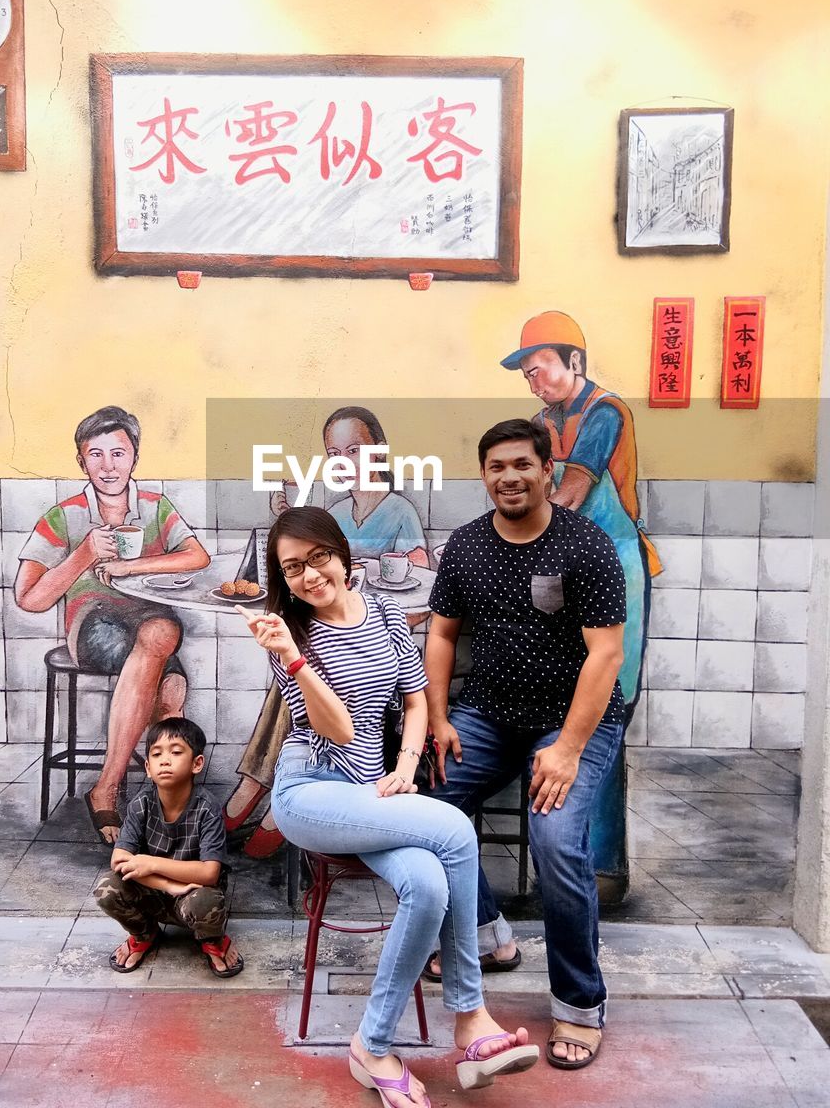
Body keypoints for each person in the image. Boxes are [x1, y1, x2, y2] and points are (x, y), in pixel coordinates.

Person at [238, 506, 538, 1104]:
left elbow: (418, 699)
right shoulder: (289, 637)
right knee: (453, 827)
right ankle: (471, 1017)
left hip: (373, 789)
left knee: (428, 884)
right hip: (312, 791)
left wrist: (405, 769)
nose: (309, 575)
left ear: (341, 554)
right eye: (292, 568)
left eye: (317, 557)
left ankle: (371, 1045)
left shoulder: (385, 614)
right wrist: (294, 661)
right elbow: (342, 729)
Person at [426, 419, 626, 1071]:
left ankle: (579, 1005)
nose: (508, 477)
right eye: (495, 467)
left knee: (558, 841)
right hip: (488, 713)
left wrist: (567, 747)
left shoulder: (585, 547)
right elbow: (442, 635)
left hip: (574, 720)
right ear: (483, 476)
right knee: (429, 806)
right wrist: (439, 717)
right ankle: (487, 937)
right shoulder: (466, 547)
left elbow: (606, 655)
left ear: (546, 470)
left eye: (521, 464)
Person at [500, 312, 661, 891]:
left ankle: (603, 868)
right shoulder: (542, 422)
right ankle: (564, 864)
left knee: (605, 712)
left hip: (615, 568)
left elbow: (569, 493)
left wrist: (507, 544)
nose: (533, 380)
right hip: (561, 569)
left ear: (573, 361)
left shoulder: (606, 413)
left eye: (538, 367)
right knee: (562, 706)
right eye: (525, 373)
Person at [225, 405, 429, 858]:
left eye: (354, 449)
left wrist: (362, 614)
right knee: (298, 664)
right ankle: (270, 792)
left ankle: (258, 790)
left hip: (378, 658)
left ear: (379, 451)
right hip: (332, 651)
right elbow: (309, 584)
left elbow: (418, 594)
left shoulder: (400, 511)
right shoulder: (333, 510)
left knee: (300, 671)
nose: (345, 461)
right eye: (335, 453)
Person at [15, 406, 211, 845]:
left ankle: (119, 789)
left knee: (161, 632)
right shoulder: (63, 516)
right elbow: (29, 598)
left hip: (148, 613)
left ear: (135, 457)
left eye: (118, 453)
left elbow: (197, 557)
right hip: (90, 619)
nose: (108, 466)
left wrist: (130, 566)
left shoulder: (155, 507)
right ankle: (154, 798)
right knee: (170, 689)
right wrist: (84, 554)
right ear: (81, 461)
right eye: (96, 454)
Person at [94, 717, 242, 977]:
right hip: (153, 892)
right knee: (107, 887)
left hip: (192, 896)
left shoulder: (207, 809)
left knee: (207, 900)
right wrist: (168, 885)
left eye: (175, 752)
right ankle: (145, 933)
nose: (165, 760)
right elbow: (119, 860)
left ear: (197, 763)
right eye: (157, 754)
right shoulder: (141, 805)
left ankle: (212, 940)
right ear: (148, 768)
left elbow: (209, 873)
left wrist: (150, 863)